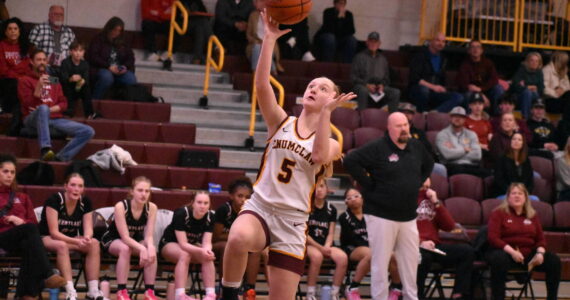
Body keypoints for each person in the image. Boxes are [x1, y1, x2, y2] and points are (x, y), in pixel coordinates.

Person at [219, 10, 355, 300]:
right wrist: (268, 39)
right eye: (311, 85)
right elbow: (261, 86)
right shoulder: (281, 122)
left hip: (293, 222)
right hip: (261, 207)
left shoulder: (333, 142)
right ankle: (228, 294)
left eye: (323, 88)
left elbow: (318, 155)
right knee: (239, 235)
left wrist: (327, 115)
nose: (314, 88)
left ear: (332, 100)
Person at [344, 111, 434, 300]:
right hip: (380, 215)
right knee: (380, 263)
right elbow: (351, 161)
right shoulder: (377, 147)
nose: (404, 129)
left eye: (406, 125)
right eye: (399, 126)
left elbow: (430, 162)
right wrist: (368, 185)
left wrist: (419, 179)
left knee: (410, 263)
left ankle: (411, 297)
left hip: (409, 216)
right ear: (389, 128)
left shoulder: (416, 146)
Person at [0, 154, 66, 299]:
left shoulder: (23, 197)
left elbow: (33, 223)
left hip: (21, 238)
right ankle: (47, 274)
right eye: (5, 171)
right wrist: (8, 220)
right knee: (29, 232)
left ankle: (23, 295)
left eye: (12, 172)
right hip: (2, 237)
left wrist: (21, 223)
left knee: (28, 243)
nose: (9, 175)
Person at [38, 173, 107, 300]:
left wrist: (87, 237)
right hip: (47, 238)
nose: (76, 189)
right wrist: (75, 242)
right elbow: (54, 232)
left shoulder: (85, 202)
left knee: (94, 243)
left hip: (70, 239)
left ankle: (93, 290)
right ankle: (70, 291)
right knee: (62, 245)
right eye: (73, 185)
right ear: (65, 186)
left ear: (83, 189)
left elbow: (88, 228)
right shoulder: (54, 200)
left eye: (80, 186)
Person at [486, 183, 561, 300]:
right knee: (498, 259)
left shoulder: (532, 215)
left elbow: (540, 240)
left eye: (520, 193)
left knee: (553, 260)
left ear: (526, 197)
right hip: (506, 253)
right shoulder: (498, 213)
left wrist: (540, 253)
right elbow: (493, 238)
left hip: (527, 255)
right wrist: (512, 252)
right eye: (514, 193)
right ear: (508, 197)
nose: (517, 196)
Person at [18, 49, 95, 162]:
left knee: (88, 131)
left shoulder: (53, 80)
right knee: (42, 108)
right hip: (32, 118)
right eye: (38, 60)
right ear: (32, 62)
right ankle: (45, 148)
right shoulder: (24, 80)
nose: (42, 62)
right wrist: (39, 87)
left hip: (54, 118)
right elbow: (27, 104)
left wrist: (48, 110)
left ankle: (61, 157)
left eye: (44, 60)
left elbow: (63, 103)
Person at [339, 187, 403, 300]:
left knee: (393, 255)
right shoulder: (344, 217)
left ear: (363, 198)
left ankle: (396, 288)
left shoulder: (372, 215)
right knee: (372, 254)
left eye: (356, 196)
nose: (353, 199)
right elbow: (349, 239)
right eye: (349, 198)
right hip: (353, 248)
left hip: (373, 247)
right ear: (346, 202)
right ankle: (352, 287)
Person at [416, 178, 475, 299]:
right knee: (423, 257)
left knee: (466, 251)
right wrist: (420, 242)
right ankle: (417, 295)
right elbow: (401, 228)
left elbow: (449, 226)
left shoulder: (432, 200)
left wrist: (437, 203)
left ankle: (459, 294)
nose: (425, 186)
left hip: (434, 246)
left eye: (427, 180)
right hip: (415, 246)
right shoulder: (405, 199)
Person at [101, 176, 158, 300]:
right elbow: (125, 237)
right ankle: (121, 290)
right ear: (132, 191)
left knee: (151, 249)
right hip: (113, 239)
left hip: (134, 241)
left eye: (147, 191)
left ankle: (150, 291)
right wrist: (142, 249)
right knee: (125, 248)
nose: (144, 194)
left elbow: (148, 235)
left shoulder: (152, 207)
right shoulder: (121, 206)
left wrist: (150, 246)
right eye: (140, 190)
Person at [160, 192, 217, 300]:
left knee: (208, 257)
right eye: (199, 202)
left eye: (206, 203)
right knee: (185, 254)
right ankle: (180, 294)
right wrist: (201, 250)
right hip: (169, 243)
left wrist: (207, 250)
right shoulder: (181, 213)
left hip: (191, 246)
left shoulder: (211, 216)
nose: (202, 206)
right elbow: (183, 244)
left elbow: (207, 242)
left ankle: (210, 294)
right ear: (193, 203)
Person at [212, 177, 261, 300]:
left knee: (256, 250)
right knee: (228, 246)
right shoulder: (224, 210)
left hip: (242, 246)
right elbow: (216, 236)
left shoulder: (252, 212)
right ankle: (225, 287)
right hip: (217, 245)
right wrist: (239, 237)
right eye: (240, 196)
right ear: (231, 196)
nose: (243, 200)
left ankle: (249, 289)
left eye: (247, 197)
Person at [306, 179, 347, 300]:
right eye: (316, 187)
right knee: (317, 257)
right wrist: (320, 248)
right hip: (309, 244)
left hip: (325, 244)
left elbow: (331, 232)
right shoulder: (307, 207)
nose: (319, 190)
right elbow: (304, 233)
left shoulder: (331, 209)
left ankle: (334, 293)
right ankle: (310, 293)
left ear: (327, 189)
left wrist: (327, 246)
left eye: (322, 186)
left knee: (343, 258)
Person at [408, 32, 464, 112]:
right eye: (438, 40)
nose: (441, 43)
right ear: (431, 41)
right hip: (419, 90)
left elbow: (441, 79)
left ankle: (435, 113)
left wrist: (442, 88)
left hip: (435, 92)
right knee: (423, 90)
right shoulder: (420, 55)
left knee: (458, 97)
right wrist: (433, 87)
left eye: (443, 41)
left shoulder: (444, 59)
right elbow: (415, 78)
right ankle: (423, 114)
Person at [88, 17, 137, 99]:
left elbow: (131, 58)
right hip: (102, 67)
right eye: (115, 30)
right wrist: (108, 66)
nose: (116, 33)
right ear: (109, 28)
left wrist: (125, 67)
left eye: (119, 31)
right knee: (107, 77)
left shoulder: (123, 42)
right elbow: (93, 56)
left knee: (131, 79)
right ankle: (95, 100)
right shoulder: (99, 39)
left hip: (118, 69)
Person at [350, 31, 400, 112]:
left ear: (379, 43)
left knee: (395, 92)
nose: (373, 44)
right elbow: (353, 78)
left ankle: (393, 118)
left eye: (375, 42)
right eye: (371, 41)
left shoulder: (383, 59)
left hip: (378, 88)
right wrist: (366, 85)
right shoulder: (359, 57)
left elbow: (387, 78)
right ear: (367, 42)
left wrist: (382, 85)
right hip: (363, 86)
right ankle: (362, 116)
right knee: (363, 90)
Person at [435, 106, 488, 177]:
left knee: (488, 174)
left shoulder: (471, 134)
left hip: (471, 166)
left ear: (465, 119)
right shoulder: (442, 135)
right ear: (450, 118)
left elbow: (477, 155)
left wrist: (455, 152)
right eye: (455, 116)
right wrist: (465, 150)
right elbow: (447, 155)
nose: (458, 118)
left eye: (461, 116)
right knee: (459, 171)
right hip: (452, 166)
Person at [0, 17, 30, 136]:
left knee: (21, 96)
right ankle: (16, 126)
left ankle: (15, 126)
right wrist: (17, 74)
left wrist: (15, 72)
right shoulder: (1, 45)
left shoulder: (24, 46)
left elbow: (26, 67)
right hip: (4, 82)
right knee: (19, 88)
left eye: (15, 29)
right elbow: (2, 69)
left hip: (19, 83)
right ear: (6, 32)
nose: (13, 31)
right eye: (10, 29)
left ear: (19, 31)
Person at [456, 39, 504, 109]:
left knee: (498, 89)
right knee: (468, 95)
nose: (475, 49)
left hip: (485, 90)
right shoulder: (465, 65)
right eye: (473, 47)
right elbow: (464, 85)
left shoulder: (488, 63)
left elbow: (494, 80)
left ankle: (497, 115)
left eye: (478, 47)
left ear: (482, 50)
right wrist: (480, 94)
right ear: (469, 51)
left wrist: (481, 89)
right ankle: (470, 117)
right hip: (472, 92)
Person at [28, 5, 75, 70]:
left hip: (65, 68)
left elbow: (76, 50)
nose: (59, 17)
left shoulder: (69, 32)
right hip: (45, 67)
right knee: (48, 76)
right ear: (49, 15)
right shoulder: (39, 29)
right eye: (55, 14)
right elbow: (31, 50)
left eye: (61, 15)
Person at [493, 132, 538, 200]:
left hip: (522, 194)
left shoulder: (526, 160)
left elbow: (530, 181)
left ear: (523, 143)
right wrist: (513, 192)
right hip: (505, 193)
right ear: (510, 142)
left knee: (535, 199)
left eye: (519, 140)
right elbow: (499, 180)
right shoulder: (502, 158)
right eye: (514, 139)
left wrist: (524, 193)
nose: (516, 141)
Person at [59, 40, 95, 118]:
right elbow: (62, 79)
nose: (78, 53)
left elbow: (86, 78)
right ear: (71, 52)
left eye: (80, 51)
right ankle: (69, 111)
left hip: (79, 88)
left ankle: (89, 113)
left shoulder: (85, 64)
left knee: (86, 89)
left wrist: (82, 81)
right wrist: (71, 79)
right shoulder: (65, 62)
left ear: (83, 52)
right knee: (68, 88)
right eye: (75, 50)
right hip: (68, 88)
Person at [246, 0, 283, 74]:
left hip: (269, 45)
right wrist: (256, 41)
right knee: (257, 47)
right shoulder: (253, 16)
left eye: (258, 1)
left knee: (265, 49)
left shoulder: (274, 17)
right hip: (255, 44)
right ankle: (269, 70)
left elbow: (274, 35)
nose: (255, 3)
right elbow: (248, 35)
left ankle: (264, 73)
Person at [509, 52, 544, 119]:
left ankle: (536, 118)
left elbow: (541, 87)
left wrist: (535, 88)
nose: (534, 63)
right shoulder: (521, 70)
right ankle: (525, 118)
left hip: (535, 95)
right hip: (520, 97)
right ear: (527, 61)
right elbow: (515, 86)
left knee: (535, 93)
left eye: (537, 61)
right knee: (528, 92)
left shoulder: (539, 72)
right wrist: (527, 87)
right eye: (532, 60)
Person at [180, 0, 213, 64]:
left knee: (200, 28)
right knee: (202, 23)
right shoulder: (180, 1)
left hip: (197, 25)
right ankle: (214, 46)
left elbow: (204, 13)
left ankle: (197, 58)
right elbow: (178, 14)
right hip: (182, 24)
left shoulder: (198, 1)